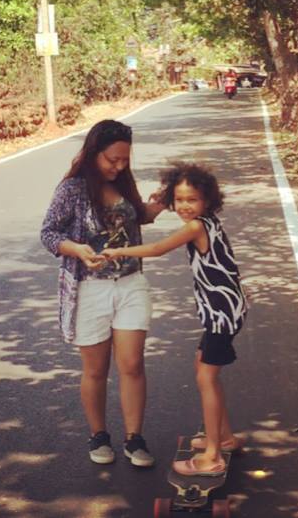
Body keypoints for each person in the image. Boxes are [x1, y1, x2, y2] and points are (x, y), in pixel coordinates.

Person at [103, 162, 248, 476]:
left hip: (221, 315)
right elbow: (181, 210)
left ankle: (212, 455)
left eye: (191, 200)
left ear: (207, 201)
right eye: (179, 200)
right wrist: (165, 200)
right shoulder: (206, 221)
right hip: (223, 311)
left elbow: (156, 248)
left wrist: (119, 252)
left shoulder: (196, 227)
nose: (185, 206)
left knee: (206, 378)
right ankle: (224, 437)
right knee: (202, 366)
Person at [40, 119, 165, 467]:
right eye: (112, 159)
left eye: (124, 160)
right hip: (89, 289)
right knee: (95, 370)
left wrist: (160, 205)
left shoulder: (124, 184)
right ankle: (99, 435)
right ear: (94, 153)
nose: (119, 166)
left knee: (132, 363)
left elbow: (136, 219)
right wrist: (77, 250)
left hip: (130, 284)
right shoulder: (73, 190)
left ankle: (134, 439)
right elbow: (48, 233)